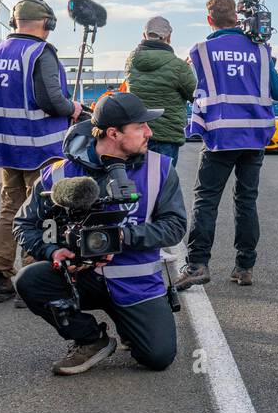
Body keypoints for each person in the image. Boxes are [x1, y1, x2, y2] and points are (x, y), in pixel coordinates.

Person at [13, 92, 185, 375]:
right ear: (113, 133)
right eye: (140, 126)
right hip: (81, 279)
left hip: (136, 284)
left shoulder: (160, 168)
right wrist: (52, 250)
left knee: (158, 357)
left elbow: (175, 227)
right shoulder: (58, 174)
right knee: (30, 280)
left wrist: (122, 237)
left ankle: (131, 325)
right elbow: (24, 224)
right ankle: (91, 339)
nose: (149, 132)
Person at [0, 0, 82, 303]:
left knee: (10, 208)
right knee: (43, 210)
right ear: (48, 23)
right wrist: (73, 108)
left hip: (4, 147)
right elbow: (52, 100)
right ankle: (33, 277)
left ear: (14, 23)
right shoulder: (40, 53)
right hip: (39, 147)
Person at [175, 0, 278, 290]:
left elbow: (189, 89)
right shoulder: (260, 50)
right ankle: (245, 267)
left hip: (220, 137)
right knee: (246, 201)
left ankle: (197, 264)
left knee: (206, 200)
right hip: (255, 137)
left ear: (209, 20)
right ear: (237, 18)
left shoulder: (201, 51)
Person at [124, 15, 197, 163]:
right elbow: (195, 95)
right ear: (168, 37)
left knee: (138, 176)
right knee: (162, 177)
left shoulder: (130, 61)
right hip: (166, 136)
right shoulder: (178, 66)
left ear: (144, 35)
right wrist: (185, 71)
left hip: (137, 134)